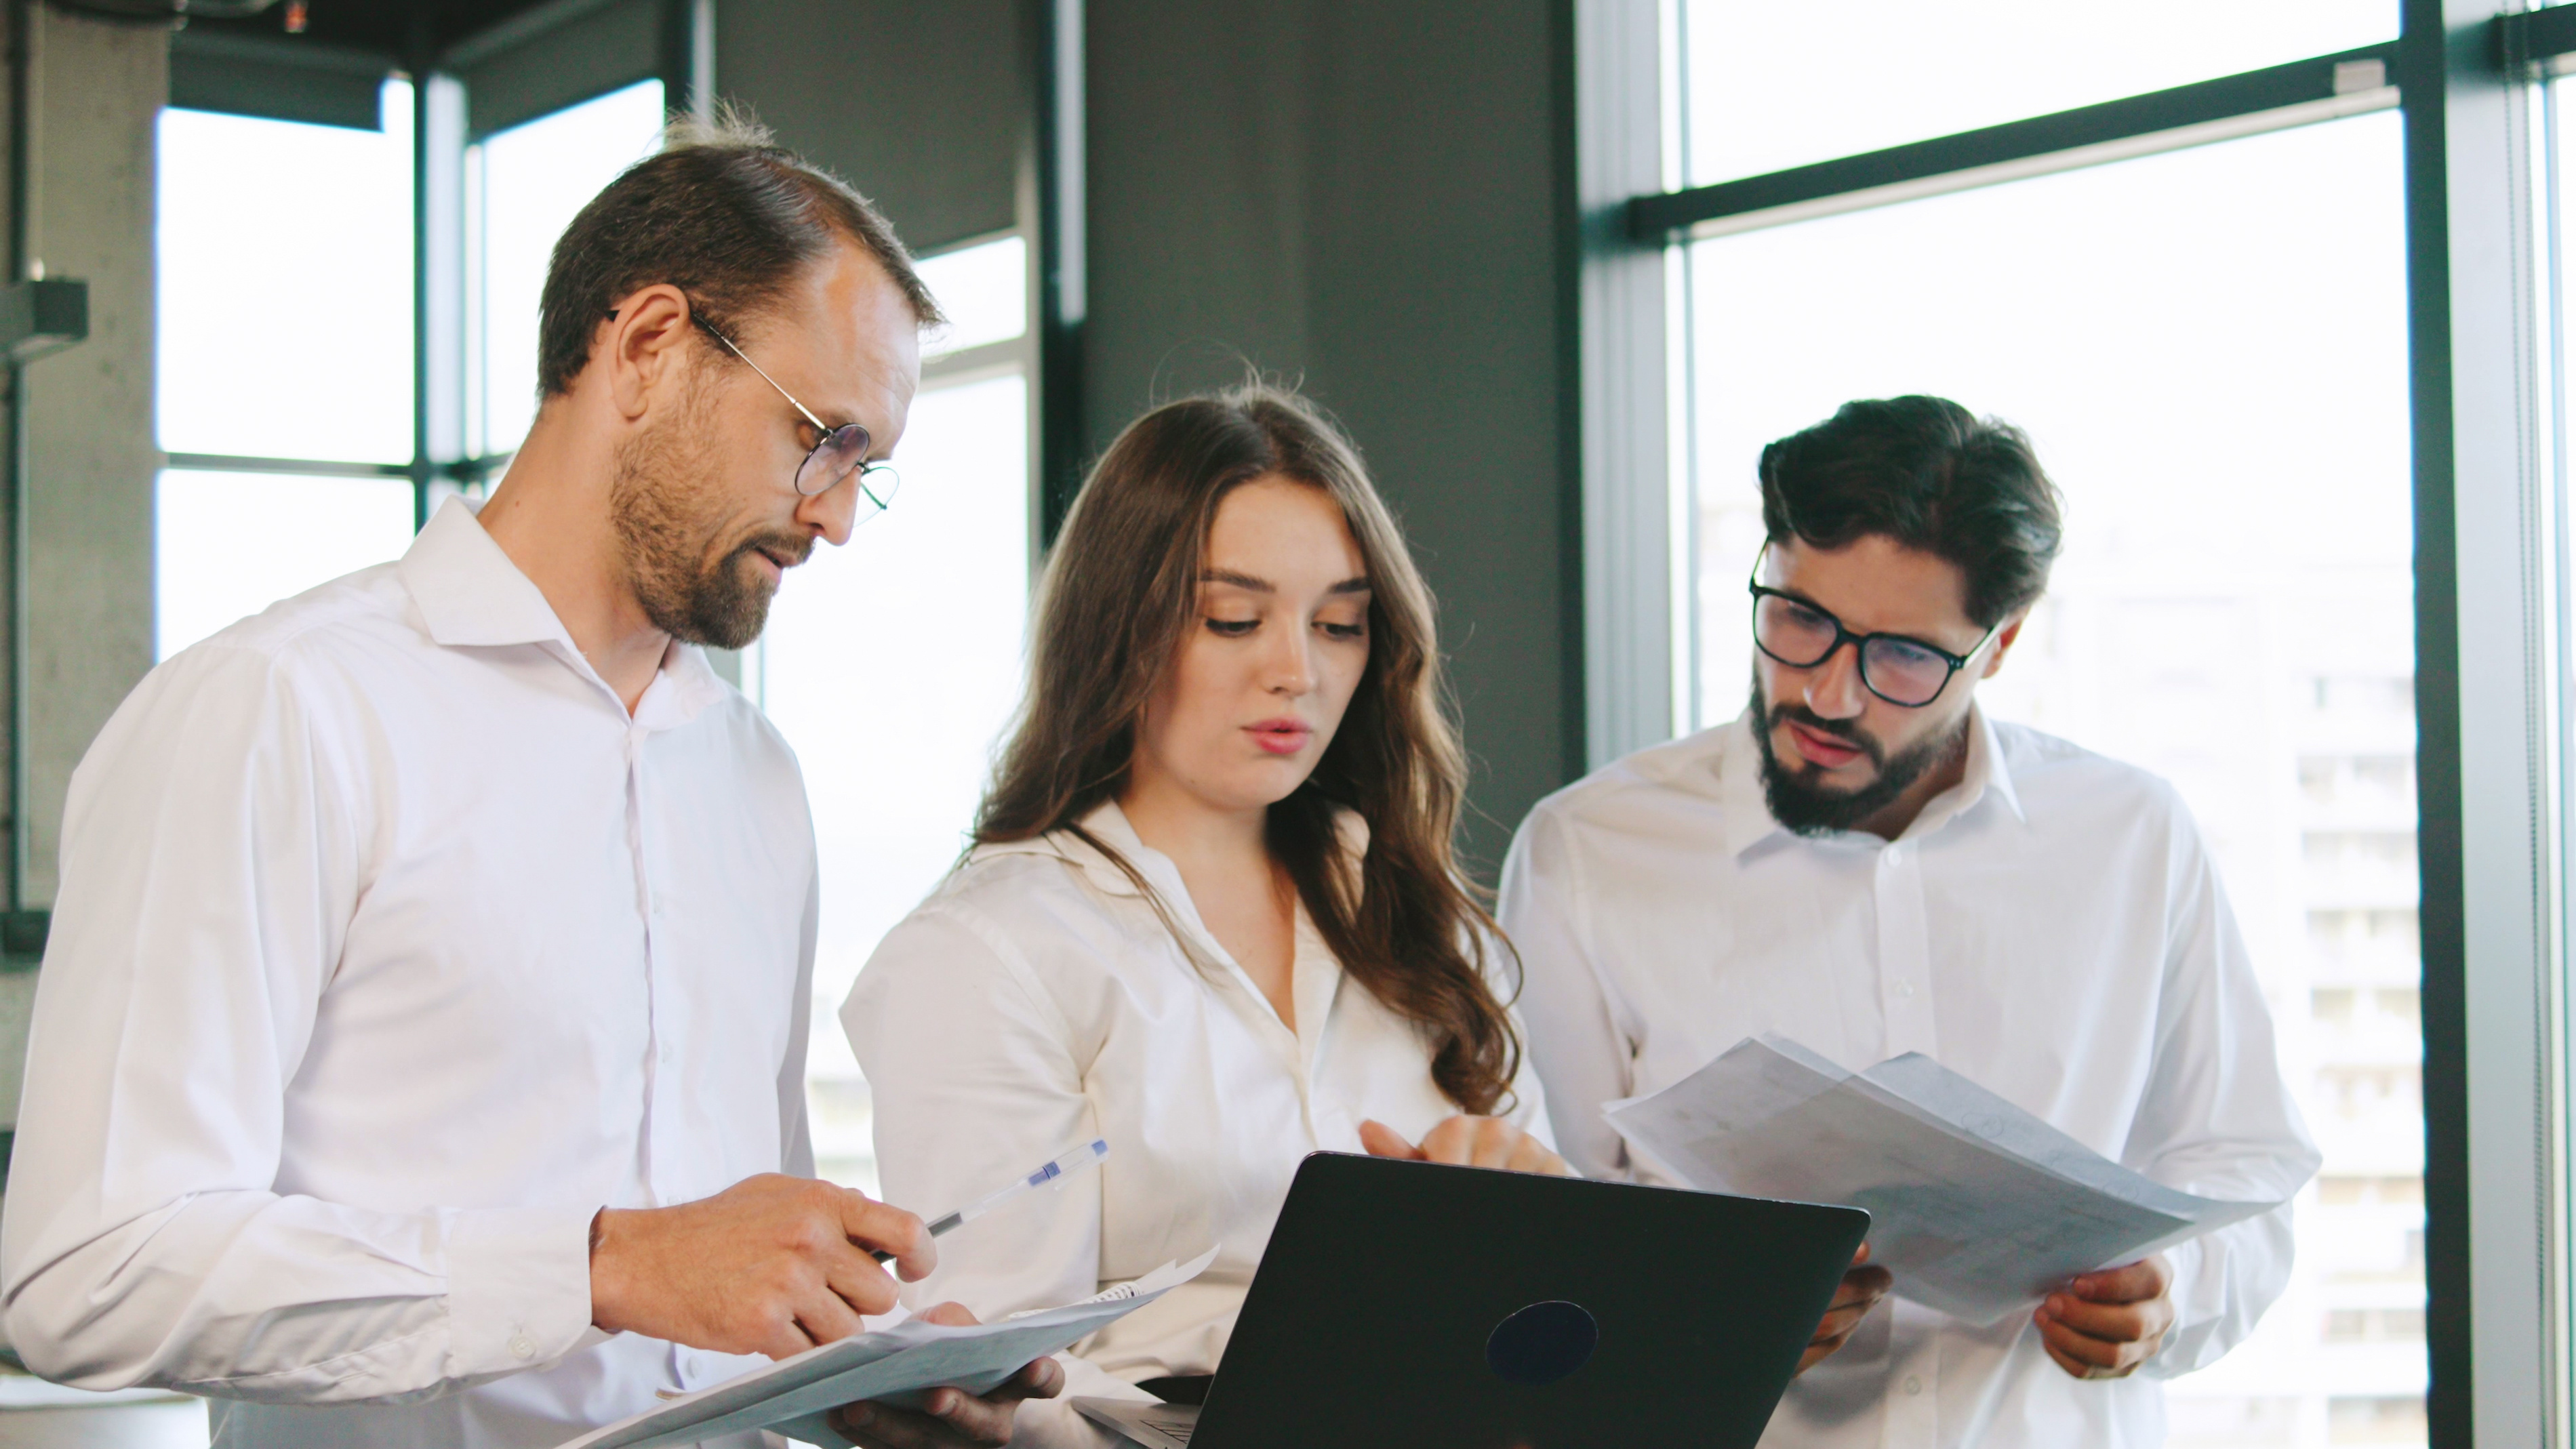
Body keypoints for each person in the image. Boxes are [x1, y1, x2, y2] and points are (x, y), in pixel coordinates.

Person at [0, 113, 1056, 1449]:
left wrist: (850, 1375)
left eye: (866, 471)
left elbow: (719, 1280)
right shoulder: (281, 711)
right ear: (647, 347)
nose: (837, 515)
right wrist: (600, 1264)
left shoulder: (756, 783)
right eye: (823, 439)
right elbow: (86, 1270)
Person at [1501, 395, 2320, 1446]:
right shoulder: (1589, 851)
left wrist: (2172, 1288)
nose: (1830, 693)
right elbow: (1536, 1237)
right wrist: (1702, 1317)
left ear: (2002, 643)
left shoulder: (2131, 836)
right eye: (1799, 619)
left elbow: (2246, 1172)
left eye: (1900, 656)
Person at [845, 387, 1563, 1448]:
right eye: (1234, 618)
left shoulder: (1423, 920)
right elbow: (994, 1378)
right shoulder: (992, 952)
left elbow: (1561, 1319)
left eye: (1340, 624)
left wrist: (1530, 1220)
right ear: (1118, 622)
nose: (1298, 671)